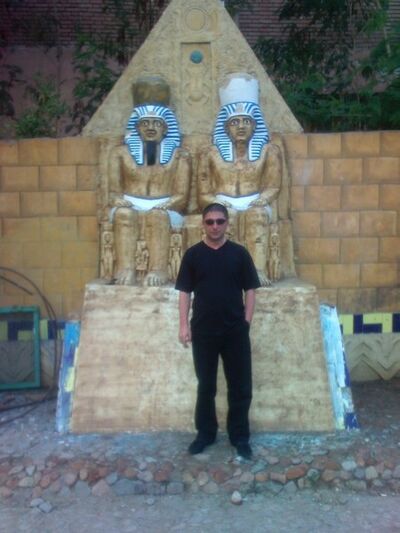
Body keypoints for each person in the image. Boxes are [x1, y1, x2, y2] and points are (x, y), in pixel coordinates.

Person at [175, 203, 261, 460]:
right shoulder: (193, 255)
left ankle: (240, 437)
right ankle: (205, 434)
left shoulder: (239, 254)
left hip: (235, 331)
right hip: (203, 331)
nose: (215, 226)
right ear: (203, 224)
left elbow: (251, 290)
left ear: (227, 223)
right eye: (210, 221)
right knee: (206, 386)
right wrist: (183, 325)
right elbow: (184, 292)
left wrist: (246, 322)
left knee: (240, 386)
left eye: (219, 221)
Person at [197, 73, 283, 286]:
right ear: (226, 128)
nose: (241, 126)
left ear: (255, 125)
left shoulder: (268, 151)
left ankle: (257, 270)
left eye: (246, 121)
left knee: (256, 214)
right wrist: (217, 202)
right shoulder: (211, 153)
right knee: (226, 216)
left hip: (255, 200)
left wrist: (262, 199)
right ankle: (225, 272)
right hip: (222, 200)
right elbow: (203, 191)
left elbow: (273, 186)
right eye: (235, 122)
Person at [106, 76, 191, 286]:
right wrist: (119, 201)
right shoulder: (120, 154)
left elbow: (181, 196)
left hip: (164, 206)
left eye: (156, 123)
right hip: (130, 203)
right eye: (145, 123)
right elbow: (114, 192)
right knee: (124, 214)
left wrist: (166, 205)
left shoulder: (179, 155)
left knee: (157, 215)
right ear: (136, 128)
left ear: (166, 128)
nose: (151, 127)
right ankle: (125, 268)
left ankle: (158, 269)